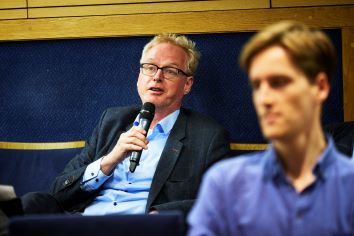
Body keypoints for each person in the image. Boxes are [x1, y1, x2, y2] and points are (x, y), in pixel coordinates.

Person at [19, 33, 230, 217]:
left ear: (187, 84)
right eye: (150, 67)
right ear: (139, 76)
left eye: (170, 71)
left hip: (140, 228)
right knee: (30, 203)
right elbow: (59, 191)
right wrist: (109, 161)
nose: (157, 77)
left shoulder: (208, 136)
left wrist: (161, 216)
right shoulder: (111, 121)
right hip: (83, 224)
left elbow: (222, 202)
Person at [188, 21, 354, 235]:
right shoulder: (225, 184)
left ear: (319, 87)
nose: (264, 99)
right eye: (257, 86)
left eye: (278, 82)